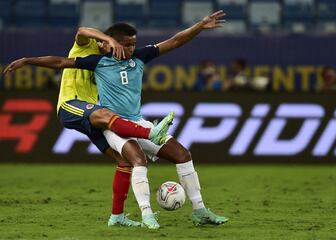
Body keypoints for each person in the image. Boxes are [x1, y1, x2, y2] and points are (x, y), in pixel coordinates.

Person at [4, 10, 229, 229]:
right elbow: (61, 61)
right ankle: (147, 214)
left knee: (182, 154)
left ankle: (199, 211)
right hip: (110, 124)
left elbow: (174, 41)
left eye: (132, 44)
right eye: (125, 44)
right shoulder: (95, 59)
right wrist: (28, 60)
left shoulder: (140, 56)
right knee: (137, 160)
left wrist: (200, 26)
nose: (130, 48)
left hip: (133, 120)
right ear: (110, 42)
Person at [3, 27, 175, 227]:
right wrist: (27, 60)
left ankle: (117, 217)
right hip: (71, 105)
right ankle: (151, 133)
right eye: (108, 44)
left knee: (124, 161)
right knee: (105, 114)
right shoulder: (85, 46)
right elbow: (81, 32)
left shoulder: (107, 64)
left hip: (92, 113)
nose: (110, 48)